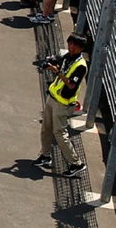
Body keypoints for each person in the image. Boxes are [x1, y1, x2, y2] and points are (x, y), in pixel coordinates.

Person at [35, 33, 90, 175]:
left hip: (63, 103)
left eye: (75, 45)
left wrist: (57, 72)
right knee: (46, 128)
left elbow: (71, 85)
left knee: (60, 133)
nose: (71, 47)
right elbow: (60, 63)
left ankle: (76, 163)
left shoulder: (81, 66)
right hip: (53, 97)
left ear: (81, 48)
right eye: (70, 43)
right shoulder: (68, 57)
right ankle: (45, 155)